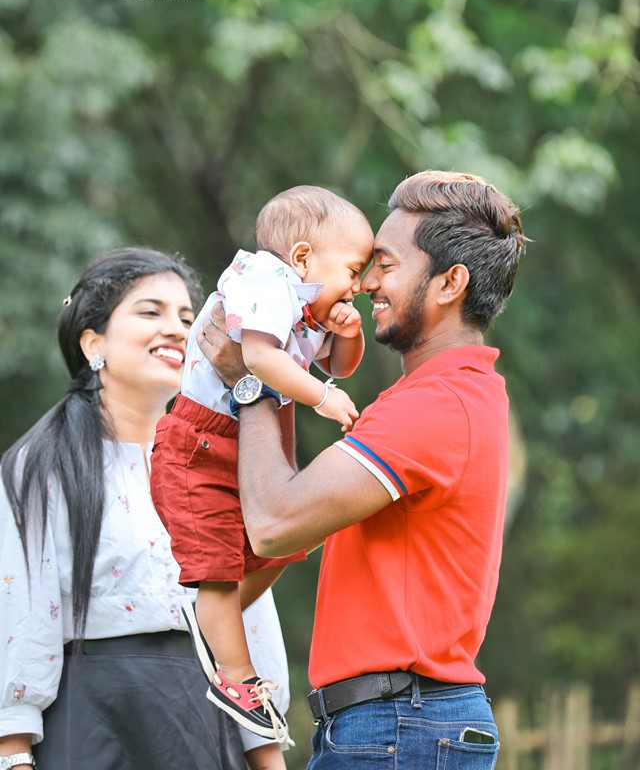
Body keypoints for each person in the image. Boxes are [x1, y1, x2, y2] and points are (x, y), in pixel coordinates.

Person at [199, 170, 527, 769]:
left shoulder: (435, 405)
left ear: (450, 283)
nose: (367, 282)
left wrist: (250, 379)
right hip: (401, 723)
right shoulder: (447, 394)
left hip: (400, 725)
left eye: (386, 264)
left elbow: (273, 523)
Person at [0, 247, 293, 770]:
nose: (177, 329)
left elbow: (249, 618)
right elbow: (22, 614)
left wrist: (266, 751)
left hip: (205, 716)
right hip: (89, 722)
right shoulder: (43, 463)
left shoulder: (218, 461)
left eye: (186, 317)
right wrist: (13, 753)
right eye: (150, 311)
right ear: (93, 342)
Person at [150, 186, 374, 743]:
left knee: (281, 549)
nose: (359, 285)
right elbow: (258, 359)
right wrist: (321, 399)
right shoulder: (264, 283)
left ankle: (209, 622)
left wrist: (349, 334)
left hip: (245, 443)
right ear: (302, 257)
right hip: (199, 444)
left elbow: (339, 366)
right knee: (218, 566)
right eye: (353, 270)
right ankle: (237, 675)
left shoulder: (306, 306)